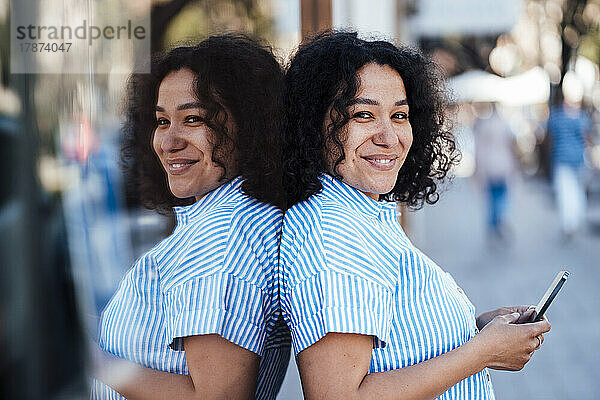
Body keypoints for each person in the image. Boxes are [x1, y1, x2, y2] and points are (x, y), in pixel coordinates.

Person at [279, 31, 550, 400]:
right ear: (314, 124)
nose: (389, 136)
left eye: (399, 114)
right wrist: (483, 352)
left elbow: (390, 342)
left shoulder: (362, 213)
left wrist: (474, 330)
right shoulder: (333, 232)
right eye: (363, 114)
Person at [91, 34, 290, 400]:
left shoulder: (221, 236)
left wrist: (91, 361)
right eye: (162, 121)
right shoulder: (235, 217)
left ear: (250, 126)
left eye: (194, 119)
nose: (169, 141)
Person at [547, 76, 592, 239]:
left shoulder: (556, 116)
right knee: (577, 192)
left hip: (562, 159)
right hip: (578, 160)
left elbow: (550, 140)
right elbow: (587, 139)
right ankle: (574, 221)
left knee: (566, 193)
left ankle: (569, 224)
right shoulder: (582, 118)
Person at [472, 103, 517, 239]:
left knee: (491, 197)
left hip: (488, 165)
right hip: (503, 164)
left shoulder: (483, 126)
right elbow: (512, 146)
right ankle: (499, 220)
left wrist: (477, 169)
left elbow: (478, 149)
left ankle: (494, 223)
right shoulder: (505, 124)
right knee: (501, 195)